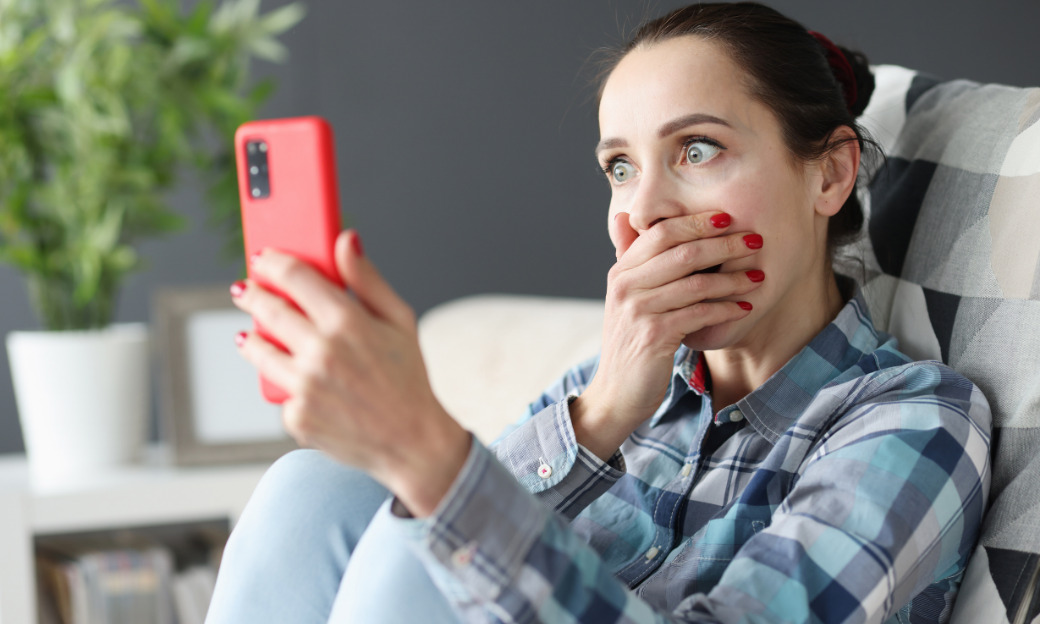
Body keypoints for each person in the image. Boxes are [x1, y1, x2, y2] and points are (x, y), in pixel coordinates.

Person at [206, 3, 992, 622]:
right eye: (620, 166)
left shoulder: (913, 420)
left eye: (697, 150)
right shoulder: (604, 384)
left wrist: (425, 452)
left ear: (829, 176)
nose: (643, 211)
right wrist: (602, 414)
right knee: (311, 488)